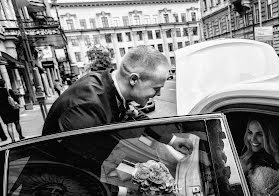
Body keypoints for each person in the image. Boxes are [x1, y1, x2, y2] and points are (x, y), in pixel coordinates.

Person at [42, 45, 192, 154]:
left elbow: (138, 118)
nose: (158, 94)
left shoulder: (112, 84)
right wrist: (126, 190)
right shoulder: (87, 105)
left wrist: (172, 140)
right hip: (57, 186)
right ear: (134, 79)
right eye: (156, 88)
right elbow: (85, 160)